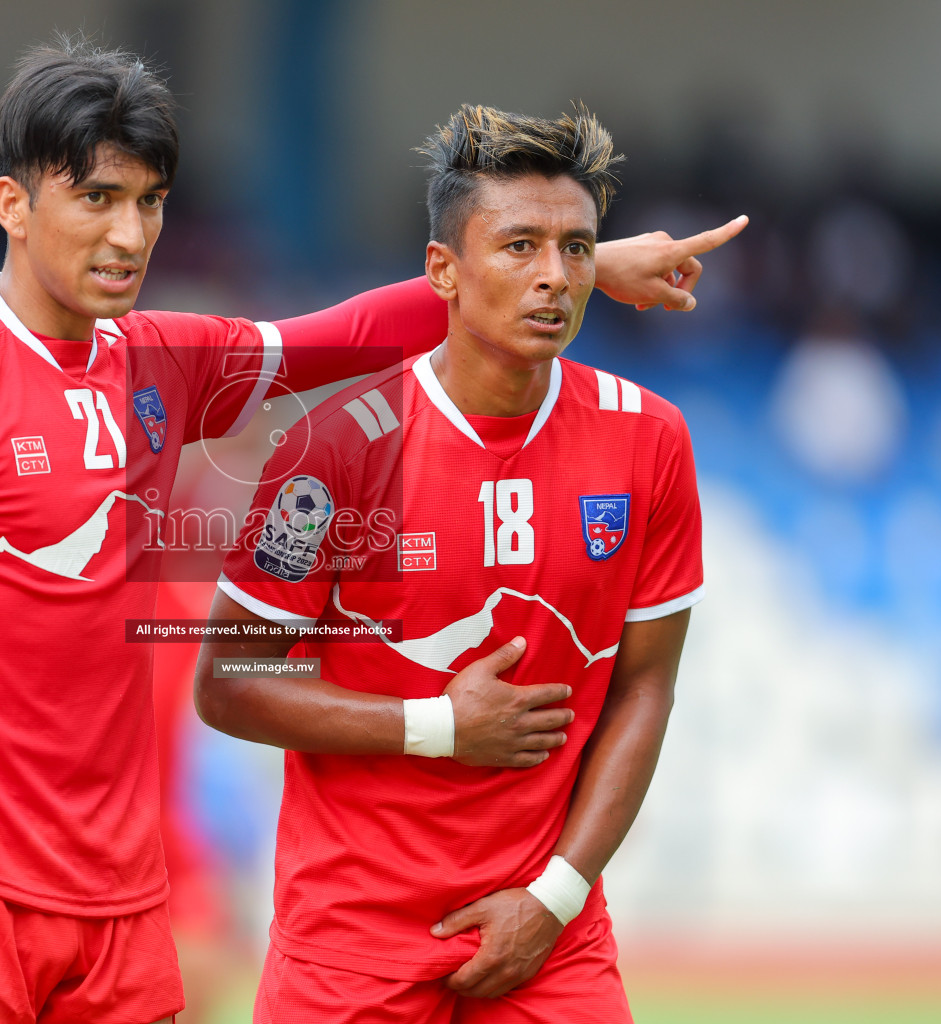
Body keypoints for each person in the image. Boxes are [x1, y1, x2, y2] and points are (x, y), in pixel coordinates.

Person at [0, 37, 741, 1024]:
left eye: (149, 202)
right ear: (13, 204)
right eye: (97, 198)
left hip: (115, 901)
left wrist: (577, 265)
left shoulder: (160, 362)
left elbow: (344, 337)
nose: (129, 234)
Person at [196, 104, 705, 1023]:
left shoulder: (650, 440)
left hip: (549, 934)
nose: (554, 277)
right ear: (444, 271)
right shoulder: (333, 448)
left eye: (578, 249)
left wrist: (556, 896)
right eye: (519, 247)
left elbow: (644, 689)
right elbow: (229, 685)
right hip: (350, 943)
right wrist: (438, 725)